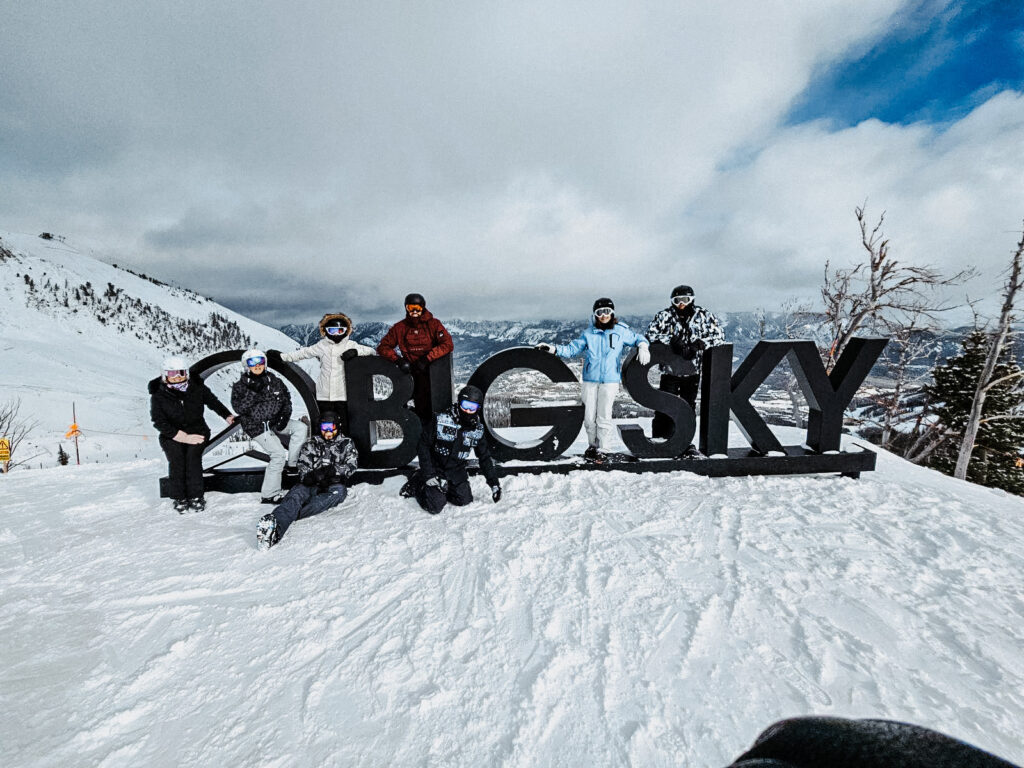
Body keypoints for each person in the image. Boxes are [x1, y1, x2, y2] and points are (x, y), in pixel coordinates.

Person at [536, 298, 650, 463]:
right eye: (599, 312)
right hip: (590, 380)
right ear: (595, 314)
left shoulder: (620, 331)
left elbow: (638, 338)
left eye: (607, 312)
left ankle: (604, 449)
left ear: (612, 313)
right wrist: (553, 349)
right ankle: (593, 446)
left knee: (603, 416)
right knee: (589, 417)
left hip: (610, 381)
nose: (604, 315)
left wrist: (643, 346)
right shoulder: (588, 334)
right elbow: (571, 349)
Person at [256, 411, 358, 549]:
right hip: (311, 484)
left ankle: (289, 514)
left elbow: (352, 464)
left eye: (331, 428)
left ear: (337, 427)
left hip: (333, 485)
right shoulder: (312, 444)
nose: (328, 432)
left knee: (337, 494)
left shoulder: (346, 443)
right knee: (295, 496)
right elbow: (303, 465)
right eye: (324, 428)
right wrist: (311, 476)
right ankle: (273, 528)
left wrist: (333, 472)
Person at [645, 284, 724, 456]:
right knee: (664, 404)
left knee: (687, 407)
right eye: (677, 300)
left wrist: (700, 344)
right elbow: (650, 334)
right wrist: (671, 341)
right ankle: (661, 439)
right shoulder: (664, 316)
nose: (681, 304)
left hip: (693, 371)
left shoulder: (703, 315)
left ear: (692, 300)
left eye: (685, 300)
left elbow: (719, 336)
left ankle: (685, 442)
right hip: (670, 370)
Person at [149, 356, 235, 513]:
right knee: (176, 460)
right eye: (173, 374)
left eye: (180, 373)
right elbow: (158, 421)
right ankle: (179, 497)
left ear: (186, 374)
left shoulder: (197, 387)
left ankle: (196, 496)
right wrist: (181, 436)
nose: (177, 377)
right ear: (165, 375)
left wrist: (227, 416)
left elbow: (213, 402)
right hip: (172, 435)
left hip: (198, 431)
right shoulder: (159, 395)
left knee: (192, 458)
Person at [267, 312, 374, 435]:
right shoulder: (322, 345)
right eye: (332, 330)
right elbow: (303, 353)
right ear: (326, 331)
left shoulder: (350, 345)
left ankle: (345, 450)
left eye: (340, 330)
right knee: (323, 424)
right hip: (324, 395)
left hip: (343, 395)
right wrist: (282, 357)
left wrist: (355, 352)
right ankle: (322, 450)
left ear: (346, 331)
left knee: (344, 426)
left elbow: (371, 351)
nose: (336, 334)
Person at [403, 385, 501, 515]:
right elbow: (423, 445)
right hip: (435, 467)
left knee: (464, 500)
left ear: (478, 408)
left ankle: (444, 488)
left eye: (472, 408)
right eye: (465, 405)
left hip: (456, 471)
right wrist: (428, 473)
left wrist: (494, 483)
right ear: (459, 403)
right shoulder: (441, 420)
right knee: (435, 506)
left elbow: (484, 457)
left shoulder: (477, 430)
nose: (468, 411)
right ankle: (417, 483)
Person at [230, 348, 308, 504]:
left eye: (260, 362)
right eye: (253, 363)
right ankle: (269, 494)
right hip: (257, 427)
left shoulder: (275, 381)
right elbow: (239, 408)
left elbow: (286, 400)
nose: (257, 365)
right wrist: (252, 391)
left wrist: (284, 417)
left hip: (275, 422)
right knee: (278, 455)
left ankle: (293, 464)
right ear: (247, 366)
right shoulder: (241, 386)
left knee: (300, 428)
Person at [376, 292, 454, 421]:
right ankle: (417, 429)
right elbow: (383, 347)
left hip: (432, 371)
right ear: (406, 308)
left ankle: (433, 431)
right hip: (411, 371)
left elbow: (447, 344)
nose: (414, 312)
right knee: (416, 403)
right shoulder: (400, 328)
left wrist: (428, 358)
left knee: (433, 404)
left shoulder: (433, 324)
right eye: (410, 308)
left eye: (417, 308)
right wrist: (398, 360)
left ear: (423, 307)